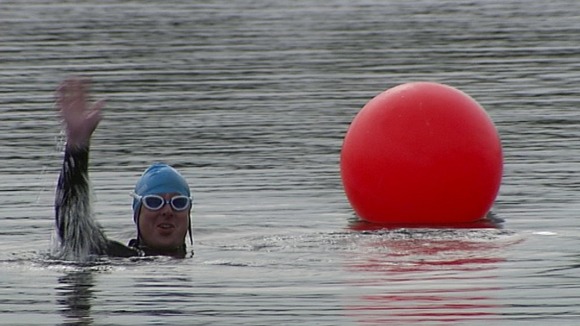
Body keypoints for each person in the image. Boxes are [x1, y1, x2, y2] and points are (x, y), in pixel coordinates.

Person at [54, 76, 193, 259]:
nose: (167, 211)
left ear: (189, 214)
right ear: (137, 214)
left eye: (179, 203)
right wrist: (76, 148)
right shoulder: (120, 258)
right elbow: (75, 233)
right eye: (153, 202)